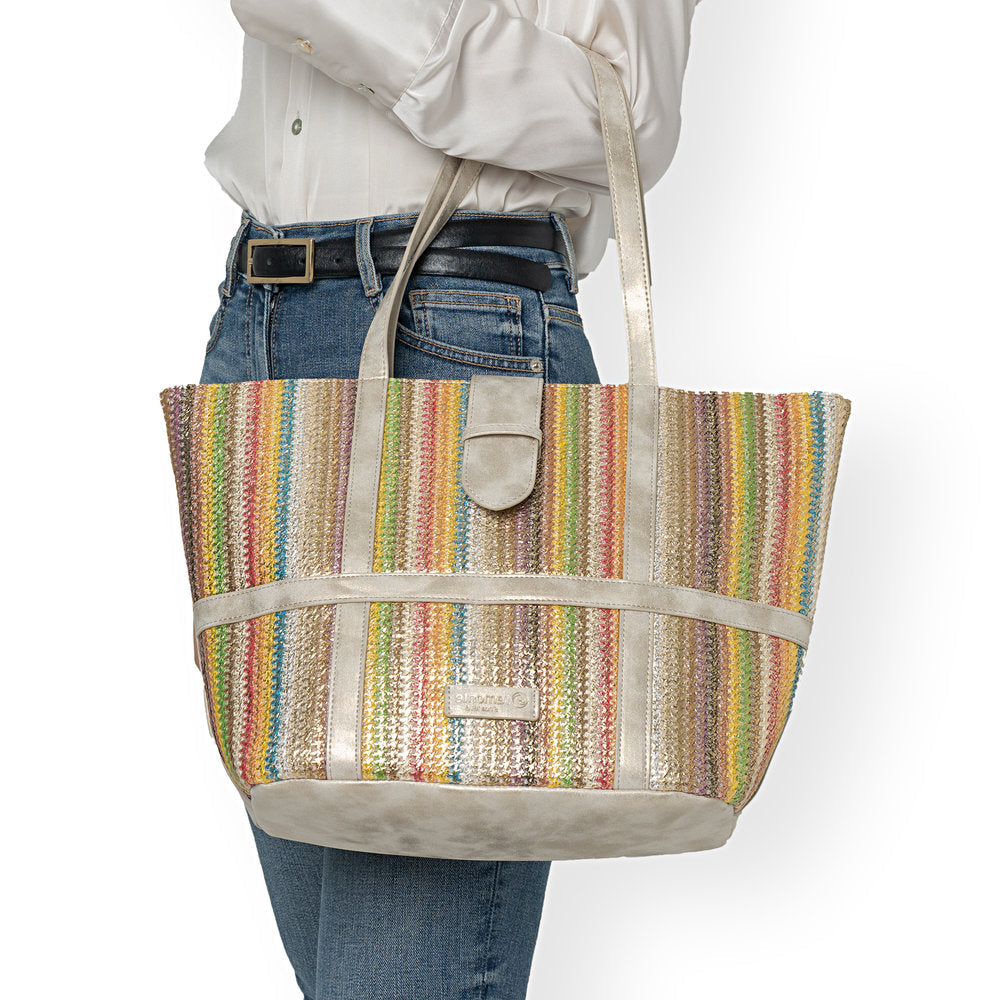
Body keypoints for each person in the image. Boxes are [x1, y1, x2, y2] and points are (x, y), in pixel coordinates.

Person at [199, 3, 700, 998]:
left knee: (394, 977)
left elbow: (622, 113)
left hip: (461, 330)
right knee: (341, 952)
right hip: (259, 323)